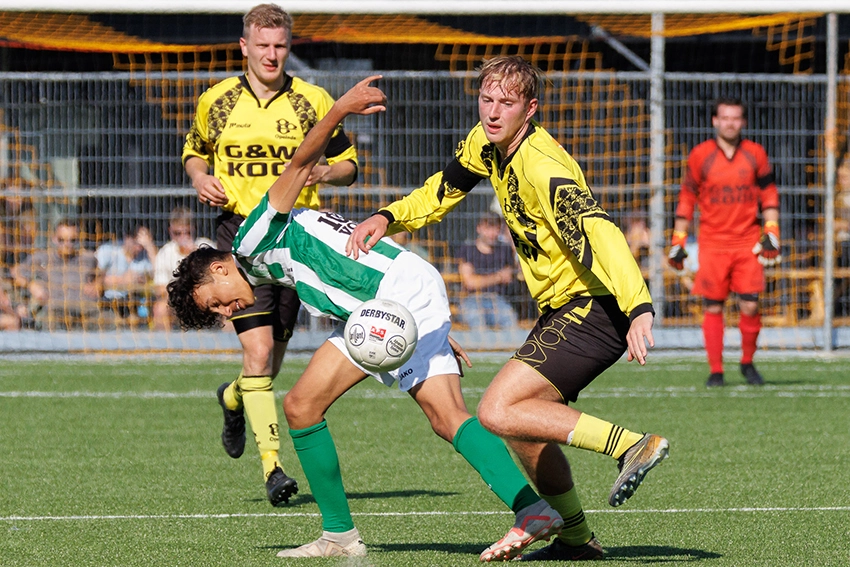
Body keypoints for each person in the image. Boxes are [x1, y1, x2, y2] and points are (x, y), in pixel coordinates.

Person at [168, 77, 564, 560]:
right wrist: (431, 327)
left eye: (216, 302)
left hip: (392, 298)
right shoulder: (261, 261)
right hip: (407, 290)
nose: (228, 313)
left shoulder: (250, 239)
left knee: (301, 406)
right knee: (447, 417)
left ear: (216, 266)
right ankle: (532, 511)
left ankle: (338, 535)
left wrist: (339, 109)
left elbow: (298, 162)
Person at [347, 56, 669, 562]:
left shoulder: (544, 167)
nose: (493, 112)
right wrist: (390, 216)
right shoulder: (486, 141)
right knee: (524, 428)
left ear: (530, 109)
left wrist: (639, 306)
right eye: (487, 99)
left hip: (594, 306)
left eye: (507, 103)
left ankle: (631, 445)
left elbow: (600, 232)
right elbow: (444, 187)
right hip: (562, 308)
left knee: (496, 410)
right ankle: (576, 539)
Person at [182, 2, 360, 506]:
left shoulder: (312, 100)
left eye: (280, 46)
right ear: (244, 47)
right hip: (240, 236)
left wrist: (326, 172)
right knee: (257, 354)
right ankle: (274, 469)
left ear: (289, 46)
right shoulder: (215, 100)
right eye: (262, 46)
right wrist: (200, 176)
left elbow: (349, 164)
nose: (272, 55)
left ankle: (232, 396)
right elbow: (194, 151)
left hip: (296, 238)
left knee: (269, 363)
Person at [668, 97, 780, 387]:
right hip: (713, 243)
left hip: (747, 242)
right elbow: (687, 196)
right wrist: (678, 239)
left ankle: (747, 362)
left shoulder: (755, 153)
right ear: (715, 121)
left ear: (743, 122)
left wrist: (772, 231)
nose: (730, 123)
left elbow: (769, 194)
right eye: (725, 118)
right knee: (714, 306)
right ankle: (716, 370)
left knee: (750, 305)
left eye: (736, 118)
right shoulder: (700, 155)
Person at [12, 219, 102, 330]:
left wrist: (98, 283)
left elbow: (102, 274)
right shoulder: (42, 258)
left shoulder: (88, 258)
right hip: (55, 312)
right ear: (54, 239)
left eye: (72, 240)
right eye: (61, 240)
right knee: (50, 323)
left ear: (79, 239)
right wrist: (31, 285)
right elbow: (15, 272)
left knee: (110, 322)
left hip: (86, 312)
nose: (67, 245)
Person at [455, 211, 520, 330]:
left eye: (496, 229)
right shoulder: (468, 249)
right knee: (477, 323)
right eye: (488, 228)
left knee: (511, 321)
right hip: (472, 300)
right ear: (478, 228)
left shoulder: (505, 249)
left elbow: (510, 275)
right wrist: (498, 277)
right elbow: (470, 283)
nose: (492, 233)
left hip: (498, 299)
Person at [152, 207, 214, 330]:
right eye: (177, 233)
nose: (183, 237)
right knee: (160, 308)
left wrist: (197, 258)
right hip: (178, 303)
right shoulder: (165, 252)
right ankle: (164, 348)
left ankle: (227, 348)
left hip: (207, 298)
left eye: (187, 233)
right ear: (170, 231)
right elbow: (160, 289)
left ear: (193, 229)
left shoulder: (206, 247)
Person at [96, 224, 157, 322]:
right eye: (136, 244)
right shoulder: (108, 250)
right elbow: (94, 278)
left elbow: (159, 273)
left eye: (142, 246)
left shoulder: (144, 257)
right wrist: (123, 280)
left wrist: (150, 246)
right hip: (108, 302)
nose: (139, 249)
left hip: (134, 303)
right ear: (127, 238)